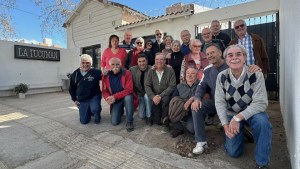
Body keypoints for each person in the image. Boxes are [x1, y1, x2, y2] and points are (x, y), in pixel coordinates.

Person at [190, 43, 261, 155]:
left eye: (212, 52)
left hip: (237, 107)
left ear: (220, 53)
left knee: (233, 148)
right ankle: (201, 141)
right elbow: (201, 86)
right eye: (207, 54)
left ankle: (242, 127)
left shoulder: (232, 65)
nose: (210, 55)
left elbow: (248, 71)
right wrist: (197, 98)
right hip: (217, 103)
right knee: (196, 107)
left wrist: (255, 68)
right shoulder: (207, 70)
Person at [215, 44, 272, 169]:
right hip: (232, 114)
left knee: (262, 122)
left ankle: (262, 163)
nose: (234, 57)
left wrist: (238, 118)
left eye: (238, 54)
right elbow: (219, 103)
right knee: (233, 152)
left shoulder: (255, 74)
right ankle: (240, 131)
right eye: (230, 55)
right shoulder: (222, 76)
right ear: (226, 59)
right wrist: (225, 125)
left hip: (251, 114)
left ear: (245, 57)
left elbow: (261, 103)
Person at [102, 57, 138, 132]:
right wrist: (107, 98)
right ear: (109, 65)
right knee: (114, 122)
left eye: (117, 64)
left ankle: (129, 121)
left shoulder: (126, 72)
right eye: (113, 64)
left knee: (128, 98)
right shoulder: (106, 75)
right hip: (116, 100)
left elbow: (129, 89)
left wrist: (114, 96)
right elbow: (104, 90)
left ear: (121, 64)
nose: (115, 66)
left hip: (124, 97)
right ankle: (120, 110)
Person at [145, 52, 176, 127]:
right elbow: (147, 85)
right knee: (157, 121)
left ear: (165, 61)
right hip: (155, 95)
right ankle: (155, 117)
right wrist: (153, 96)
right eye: (157, 59)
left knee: (166, 99)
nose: (159, 61)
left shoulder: (170, 70)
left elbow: (172, 86)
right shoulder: (151, 71)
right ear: (154, 61)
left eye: (161, 59)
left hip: (165, 94)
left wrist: (160, 96)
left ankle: (165, 118)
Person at [69, 54, 102, 124]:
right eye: (83, 62)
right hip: (82, 99)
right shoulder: (75, 74)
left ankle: (97, 113)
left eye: (87, 63)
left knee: (95, 108)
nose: (85, 64)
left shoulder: (97, 72)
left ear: (91, 64)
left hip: (94, 96)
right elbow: (71, 89)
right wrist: (74, 100)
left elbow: (105, 79)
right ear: (80, 63)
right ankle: (89, 110)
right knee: (84, 121)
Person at [169, 67, 199, 138]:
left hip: (194, 113)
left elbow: (205, 96)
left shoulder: (201, 85)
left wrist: (191, 101)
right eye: (188, 73)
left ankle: (198, 126)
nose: (189, 75)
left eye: (192, 73)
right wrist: (181, 107)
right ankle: (179, 128)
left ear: (197, 75)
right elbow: (173, 99)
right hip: (182, 111)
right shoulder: (179, 86)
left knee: (191, 129)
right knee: (173, 110)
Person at [129, 54, 152, 125]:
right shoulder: (132, 69)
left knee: (146, 96)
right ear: (137, 62)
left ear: (147, 61)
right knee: (141, 116)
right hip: (139, 95)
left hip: (149, 94)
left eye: (144, 61)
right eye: (140, 61)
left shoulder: (152, 69)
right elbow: (123, 73)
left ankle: (149, 117)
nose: (142, 63)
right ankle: (148, 108)